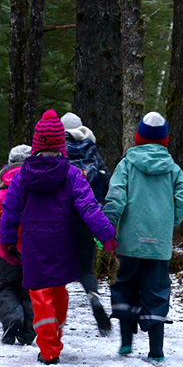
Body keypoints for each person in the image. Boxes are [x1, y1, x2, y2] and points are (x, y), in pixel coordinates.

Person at [0, 110, 117, 365]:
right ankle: (55, 337)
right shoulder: (73, 174)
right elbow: (89, 208)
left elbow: (9, 212)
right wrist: (106, 235)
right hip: (63, 244)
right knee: (59, 291)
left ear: (36, 145)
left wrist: (7, 243)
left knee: (40, 295)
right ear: (60, 147)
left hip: (32, 246)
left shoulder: (21, 177)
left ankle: (49, 348)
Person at [103, 111, 183, 365]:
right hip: (159, 245)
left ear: (138, 138)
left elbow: (116, 196)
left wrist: (108, 225)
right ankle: (156, 350)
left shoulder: (128, 163)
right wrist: (170, 222)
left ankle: (125, 343)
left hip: (130, 243)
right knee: (157, 291)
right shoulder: (173, 169)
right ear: (164, 140)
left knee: (126, 287)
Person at [61, 112, 112, 335]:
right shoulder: (91, 150)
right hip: (88, 216)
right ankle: (93, 295)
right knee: (86, 268)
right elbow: (106, 180)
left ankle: (51, 320)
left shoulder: (58, 150)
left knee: (55, 269)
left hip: (61, 218)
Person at [0, 144, 36, 345]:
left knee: (6, 288)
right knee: (30, 292)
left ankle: (13, 317)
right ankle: (29, 332)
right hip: (34, 252)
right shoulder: (39, 190)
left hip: (7, 252)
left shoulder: (1, 193)